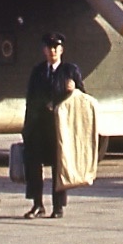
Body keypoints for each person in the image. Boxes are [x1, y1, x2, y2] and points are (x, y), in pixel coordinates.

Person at [22, 32, 84, 219]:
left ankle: (58, 206)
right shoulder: (38, 71)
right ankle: (37, 204)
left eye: (55, 48)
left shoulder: (70, 71)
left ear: (61, 50)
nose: (52, 51)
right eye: (49, 48)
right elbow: (30, 99)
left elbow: (82, 98)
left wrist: (75, 89)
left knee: (59, 167)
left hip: (59, 128)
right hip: (39, 126)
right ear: (44, 51)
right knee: (33, 166)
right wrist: (27, 128)